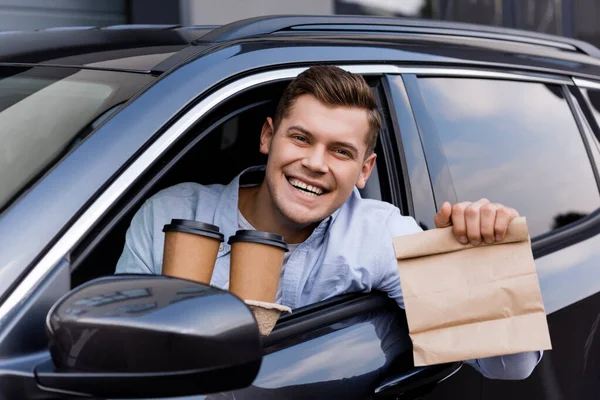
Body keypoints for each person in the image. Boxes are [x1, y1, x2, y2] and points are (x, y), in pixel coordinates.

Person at [115, 65, 542, 380]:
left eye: (340, 151)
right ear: (268, 137)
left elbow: (510, 366)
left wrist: (486, 259)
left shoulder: (379, 234)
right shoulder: (171, 215)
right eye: (300, 138)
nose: (314, 164)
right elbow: (116, 354)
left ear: (364, 170)